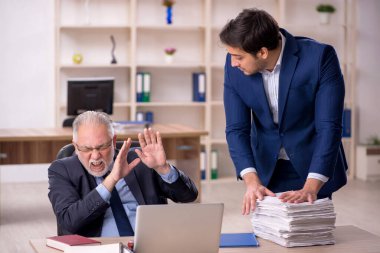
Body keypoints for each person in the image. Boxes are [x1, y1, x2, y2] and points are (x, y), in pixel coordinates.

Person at [219, 8, 347, 215]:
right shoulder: (233, 66)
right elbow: (236, 129)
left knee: (310, 238)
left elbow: (329, 127)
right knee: (270, 239)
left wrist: (311, 187)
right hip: (267, 169)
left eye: (239, 57)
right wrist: (251, 181)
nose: (233, 63)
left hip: (312, 165)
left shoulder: (320, 57)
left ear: (262, 52)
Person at [48, 111, 198, 237]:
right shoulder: (62, 170)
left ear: (113, 141)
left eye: (102, 147)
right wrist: (112, 179)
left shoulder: (141, 159)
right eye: (86, 149)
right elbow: (69, 221)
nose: (95, 156)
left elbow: (189, 196)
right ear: (75, 146)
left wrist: (163, 168)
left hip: (149, 246)